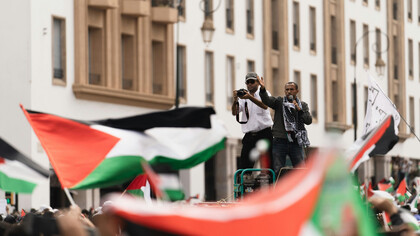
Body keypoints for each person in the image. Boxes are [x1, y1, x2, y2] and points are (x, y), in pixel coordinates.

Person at [257, 76, 312, 177]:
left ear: (297, 91)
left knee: (300, 169)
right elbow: (267, 100)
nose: (289, 92)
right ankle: (278, 189)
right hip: (280, 141)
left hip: (296, 141)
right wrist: (263, 89)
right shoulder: (279, 102)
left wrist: (299, 110)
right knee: (278, 169)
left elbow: (308, 121)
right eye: (287, 90)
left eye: (291, 89)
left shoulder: (302, 105)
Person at [232, 72, 273, 171]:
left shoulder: (264, 93)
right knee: (245, 165)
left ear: (258, 83)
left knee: (268, 164)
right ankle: (246, 184)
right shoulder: (243, 96)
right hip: (250, 135)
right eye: (248, 82)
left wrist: (250, 97)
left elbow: (265, 105)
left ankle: (270, 184)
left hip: (264, 133)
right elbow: (234, 112)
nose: (250, 84)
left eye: (252, 82)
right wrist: (235, 100)